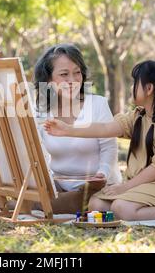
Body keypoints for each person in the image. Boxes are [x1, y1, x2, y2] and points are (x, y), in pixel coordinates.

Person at [44, 60, 155, 220]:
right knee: (96, 204)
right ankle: (139, 207)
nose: (131, 87)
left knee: (122, 208)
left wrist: (124, 188)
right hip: (143, 185)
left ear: (149, 88)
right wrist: (68, 130)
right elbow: (104, 129)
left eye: (135, 83)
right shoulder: (138, 116)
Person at [34, 43, 122, 214]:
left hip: (96, 187)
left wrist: (103, 172)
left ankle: (35, 205)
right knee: (46, 193)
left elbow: (109, 146)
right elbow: (37, 152)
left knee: (81, 200)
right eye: (64, 74)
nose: (72, 80)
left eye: (77, 72)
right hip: (59, 184)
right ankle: (43, 202)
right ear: (49, 80)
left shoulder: (97, 103)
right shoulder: (41, 111)